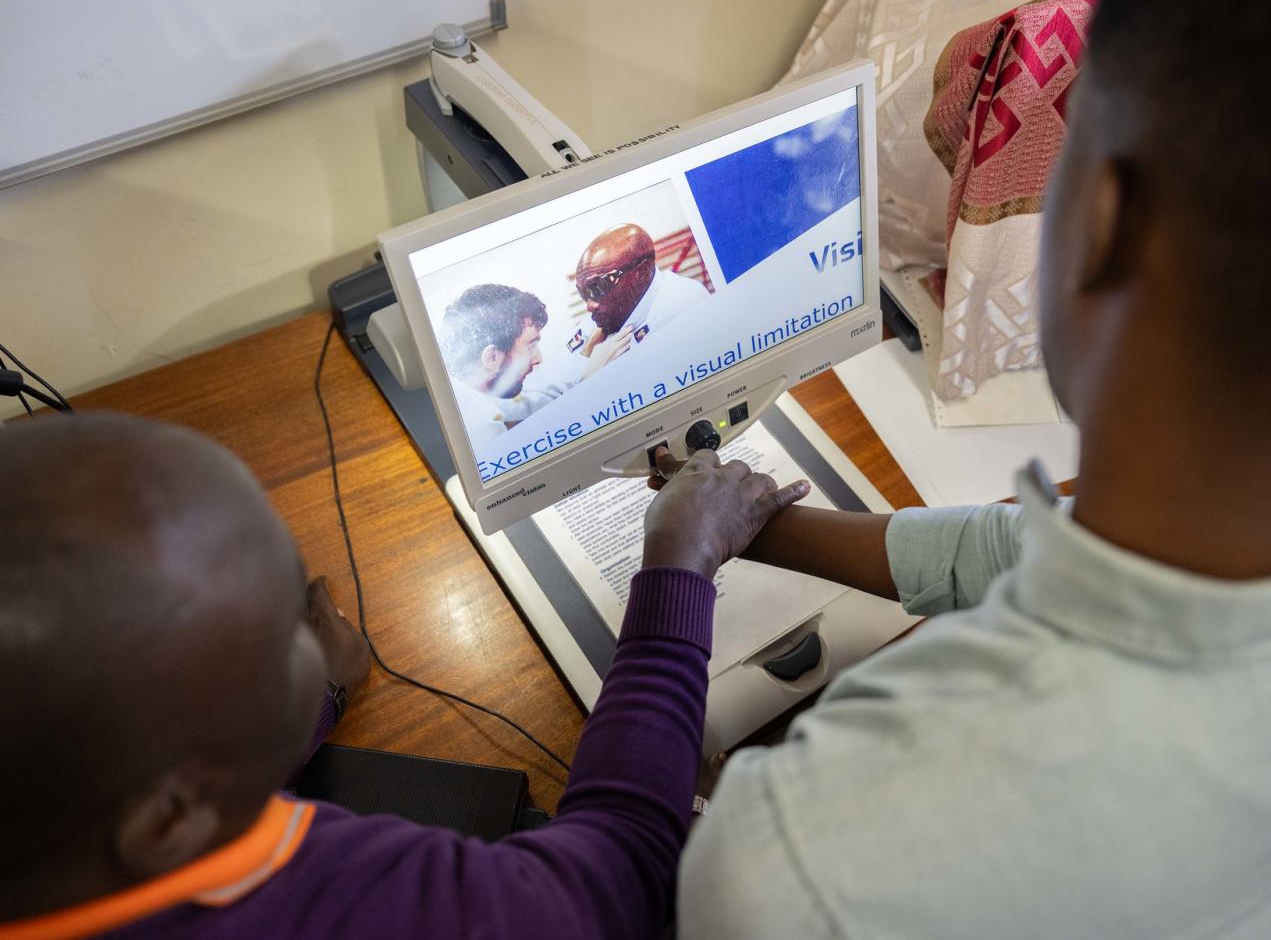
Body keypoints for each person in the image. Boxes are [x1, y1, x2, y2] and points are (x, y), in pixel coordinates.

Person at [673, 0, 1271, 936]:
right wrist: (756, 528)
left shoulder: (807, 863)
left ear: (1103, 219)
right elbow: (1037, 550)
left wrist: (667, 604)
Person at [0, 412, 808, 939]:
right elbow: (622, 871)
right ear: (173, 818)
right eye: (285, 632)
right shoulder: (343, 906)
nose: (322, 610)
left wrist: (310, 702)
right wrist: (680, 565)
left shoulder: (70, 827)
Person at [438, 283, 622, 447]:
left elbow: (528, 406)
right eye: (531, 345)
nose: (538, 358)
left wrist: (585, 358)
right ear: (492, 357)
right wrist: (591, 386)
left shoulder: (465, 393)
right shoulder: (481, 426)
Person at [558, 223, 709, 367]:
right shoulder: (604, 317)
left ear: (641, 272)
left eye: (599, 286)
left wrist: (593, 377)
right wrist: (586, 360)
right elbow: (551, 381)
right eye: (583, 293)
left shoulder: (685, 305)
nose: (589, 306)